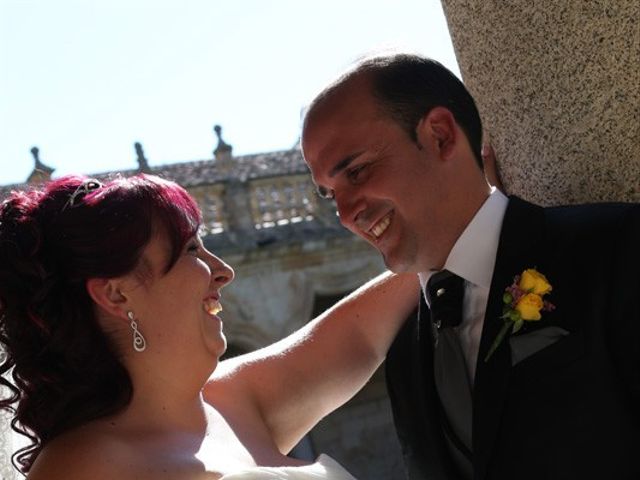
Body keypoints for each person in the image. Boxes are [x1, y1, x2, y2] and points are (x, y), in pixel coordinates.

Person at [301, 52, 640, 480]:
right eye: (330, 194)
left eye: (357, 171)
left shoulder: (616, 247)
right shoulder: (405, 352)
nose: (346, 214)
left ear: (441, 136)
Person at [0, 174, 419, 479]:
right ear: (116, 294)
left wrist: (466, 205)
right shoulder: (80, 470)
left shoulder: (234, 399)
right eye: (190, 249)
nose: (223, 271)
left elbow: (366, 330)